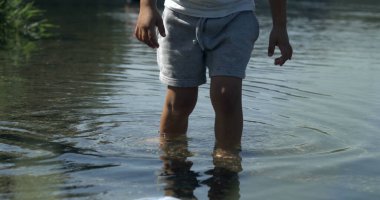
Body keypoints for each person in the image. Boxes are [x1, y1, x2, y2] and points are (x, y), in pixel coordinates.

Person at [134, 0, 293, 161]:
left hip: (236, 15)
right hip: (179, 15)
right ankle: (172, 160)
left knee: (227, 96)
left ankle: (227, 163)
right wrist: (147, 6)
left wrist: (279, 26)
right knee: (181, 101)